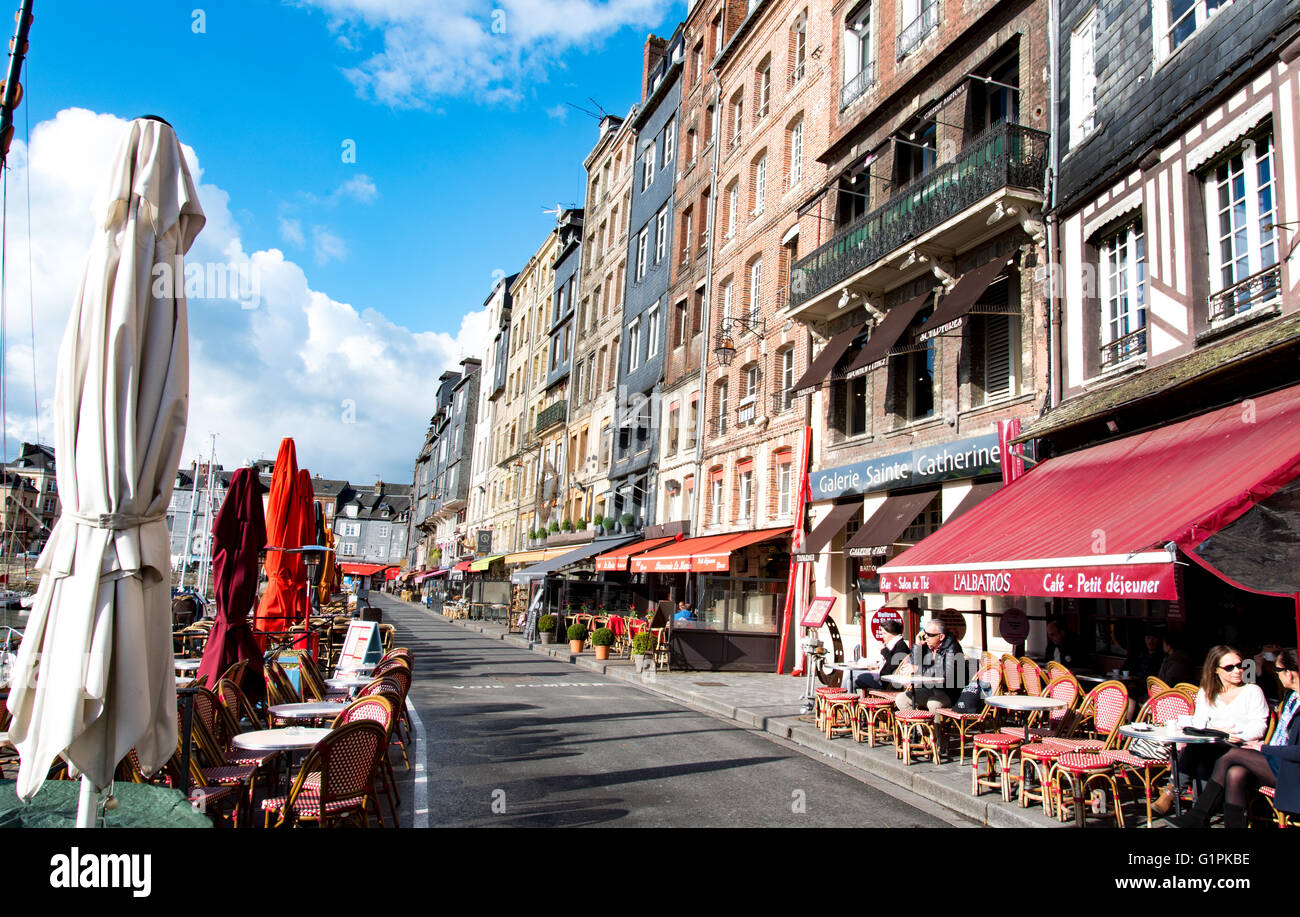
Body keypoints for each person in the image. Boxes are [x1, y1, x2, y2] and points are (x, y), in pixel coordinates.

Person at [1173, 648, 1299, 827]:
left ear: (1290, 674)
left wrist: (1263, 747)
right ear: (1215, 670)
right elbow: (1199, 724)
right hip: (1275, 757)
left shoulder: (1253, 691)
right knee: (1234, 772)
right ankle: (1209, 817)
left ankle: (1197, 814)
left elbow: (1262, 728)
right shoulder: (1291, 697)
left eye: (1240, 666)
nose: (1238, 670)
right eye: (1230, 667)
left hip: (1288, 765)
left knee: (1229, 756)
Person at [895, 620, 965, 712]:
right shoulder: (927, 645)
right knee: (901, 699)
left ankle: (937, 727)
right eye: (925, 633)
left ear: (941, 636)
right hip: (929, 688)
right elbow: (913, 664)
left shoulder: (953, 648)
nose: (926, 637)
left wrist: (918, 669)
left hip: (949, 692)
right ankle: (920, 726)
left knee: (932, 703)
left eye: (930, 635)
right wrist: (918, 645)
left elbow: (945, 673)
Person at [853, 620, 909, 694]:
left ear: (893, 634)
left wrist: (883, 650)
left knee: (852, 678)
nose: (882, 636)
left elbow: (893, 664)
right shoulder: (894, 645)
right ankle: (847, 702)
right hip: (882, 678)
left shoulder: (901, 646)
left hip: (885, 684)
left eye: (885, 633)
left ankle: (847, 702)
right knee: (851, 676)